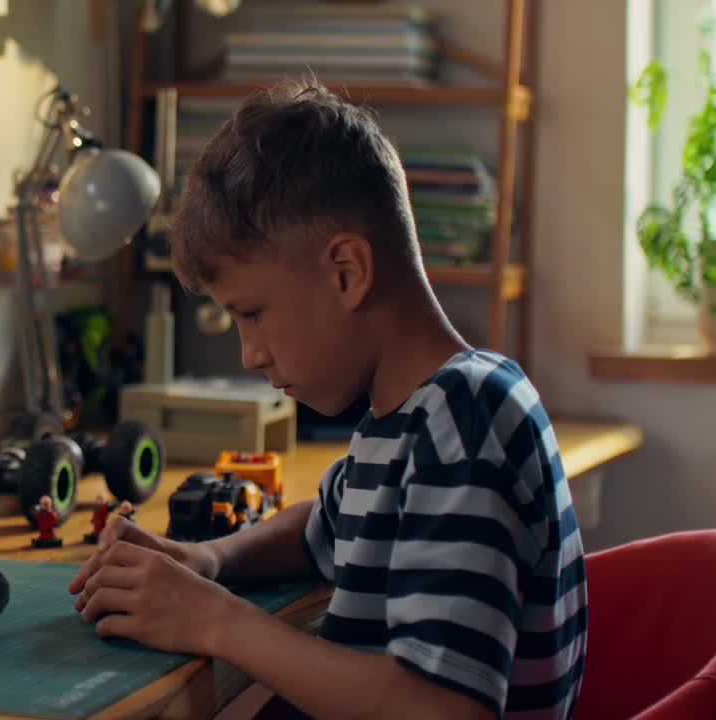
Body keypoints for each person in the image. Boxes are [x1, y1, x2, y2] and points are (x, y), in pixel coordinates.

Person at [68, 80, 586, 720]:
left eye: (252, 313)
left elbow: (447, 709)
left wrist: (216, 622)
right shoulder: (405, 418)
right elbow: (321, 526)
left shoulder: (464, 422)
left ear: (346, 272)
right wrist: (207, 559)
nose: (248, 353)